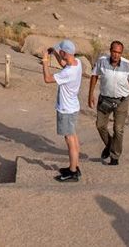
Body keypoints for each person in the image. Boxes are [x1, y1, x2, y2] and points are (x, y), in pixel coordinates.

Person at [88, 41, 129, 166]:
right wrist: (90, 94)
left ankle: (115, 157)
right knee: (100, 125)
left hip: (121, 100)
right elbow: (94, 76)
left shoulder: (127, 65)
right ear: (110, 51)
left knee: (118, 129)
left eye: (119, 52)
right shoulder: (102, 61)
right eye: (114, 52)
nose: (116, 55)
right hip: (105, 99)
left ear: (121, 53)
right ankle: (111, 145)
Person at [42, 39, 83, 182]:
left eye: (60, 51)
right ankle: (75, 166)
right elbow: (64, 63)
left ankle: (72, 172)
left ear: (65, 52)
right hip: (73, 106)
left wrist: (45, 61)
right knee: (73, 136)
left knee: (69, 139)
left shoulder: (68, 73)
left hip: (66, 109)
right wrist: (54, 53)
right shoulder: (77, 63)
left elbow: (47, 79)